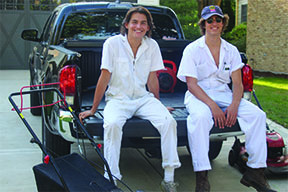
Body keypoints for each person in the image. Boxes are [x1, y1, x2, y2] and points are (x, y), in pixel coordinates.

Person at [79, 6, 181, 192]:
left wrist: (158, 105)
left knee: (168, 122)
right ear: (126, 24)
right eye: (134, 22)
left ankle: (169, 178)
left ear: (148, 27)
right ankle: (111, 179)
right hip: (117, 100)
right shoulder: (112, 44)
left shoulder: (152, 46)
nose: (138, 26)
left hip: (143, 99)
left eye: (143, 23)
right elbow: (104, 77)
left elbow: (152, 78)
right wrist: (93, 109)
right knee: (112, 126)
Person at [177, 5, 276, 192]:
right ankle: (202, 177)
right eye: (210, 20)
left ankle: (255, 172)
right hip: (198, 94)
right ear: (203, 24)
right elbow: (191, 84)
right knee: (199, 119)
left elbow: (237, 84)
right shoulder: (192, 50)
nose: (214, 23)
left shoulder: (231, 50)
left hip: (224, 93)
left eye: (218, 20)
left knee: (258, 116)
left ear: (223, 23)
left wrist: (234, 105)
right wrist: (213, 106)